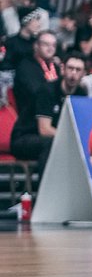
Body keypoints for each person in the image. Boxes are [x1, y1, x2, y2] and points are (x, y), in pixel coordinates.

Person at [9, 30, 62, 175]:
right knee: (53, 143)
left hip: (50, 123)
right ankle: (44, 190)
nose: (50, 48)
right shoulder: (25, 66)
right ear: (36, 46)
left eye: (53, 45)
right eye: (46, 44)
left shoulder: (56, 68)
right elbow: (39, 93)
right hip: (28, 128)